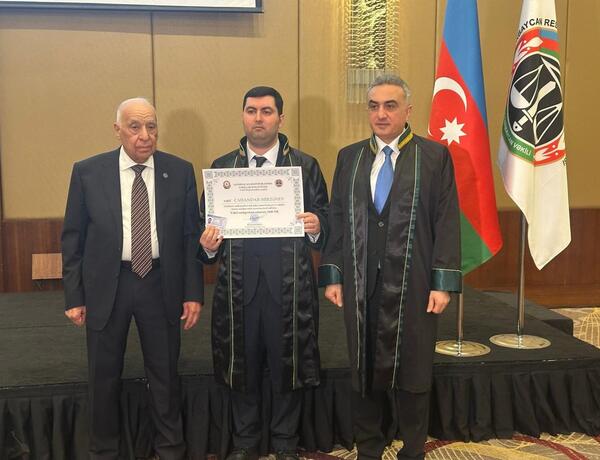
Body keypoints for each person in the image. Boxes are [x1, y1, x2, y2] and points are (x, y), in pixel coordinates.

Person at [319, 74, 461, 460]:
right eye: (374, 106)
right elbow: (337, 218)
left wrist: (442, 282)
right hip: (361, 280)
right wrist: (333, 275)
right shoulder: (350, 157)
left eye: (390, 106)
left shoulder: (433, 157)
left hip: (415, 282)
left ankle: (412, 448)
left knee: (414, 368)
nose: (381, 114)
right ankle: (369, 445)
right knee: (363, 365)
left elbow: (446, 220)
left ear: (408, 110)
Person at [62, 97, 204, 460]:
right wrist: (74, 296)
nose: (145, 135)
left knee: (164, 375)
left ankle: (170, 450)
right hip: (108, 285)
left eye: (151, 127)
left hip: (160, 282)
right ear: (118, 130)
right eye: (135, 127)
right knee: (103, 375)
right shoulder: (87, 172)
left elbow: (190, 237)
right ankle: (103, 451)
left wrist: (193, 293)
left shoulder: (180, 171)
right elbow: (73, 238)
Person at [198, 86, 329, 460]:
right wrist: (208, 245)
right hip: (238, 287)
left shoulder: (304, 166)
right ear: (243, 116)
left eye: (267, 111)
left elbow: (327, 221)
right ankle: (246, 441)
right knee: (242, 363)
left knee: (288, 363)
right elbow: (204, 231)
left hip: (289, 287)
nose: (258, 118)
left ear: (280, 119)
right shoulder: (222, 169)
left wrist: (316, 225)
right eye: (252, 110)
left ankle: (285, 441)